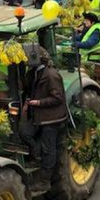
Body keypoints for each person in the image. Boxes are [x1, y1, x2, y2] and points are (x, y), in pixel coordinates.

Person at [20, 46, 68, 192]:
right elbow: (28, 89)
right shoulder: (33, 73)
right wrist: (28, 102)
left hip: (51, 118)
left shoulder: (51, 75)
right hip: (38, 115)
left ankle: (45, 181)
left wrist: (39, 103)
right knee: (24, 133)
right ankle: (37, 155)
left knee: (49, 149)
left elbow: (58, 98)